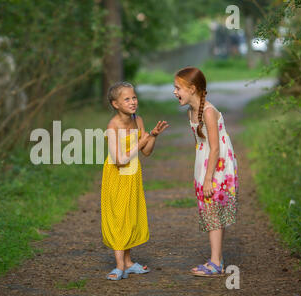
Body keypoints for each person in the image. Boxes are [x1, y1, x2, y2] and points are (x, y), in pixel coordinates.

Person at [173, 67, 238, 277]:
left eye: (178, 88)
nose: (175, 92)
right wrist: (200, 173)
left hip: (218, 166)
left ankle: (215, 262)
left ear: (192, 89)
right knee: (211, 212)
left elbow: (216, 147)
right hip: (205, 164)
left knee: (212, 212)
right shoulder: (192, 112)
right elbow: (199, 145)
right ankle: (217, 257)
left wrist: (208, 178)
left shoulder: (208, 112)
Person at [101, 81, 169, 280]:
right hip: (116, 176)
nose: (132, 102)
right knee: (118, 217)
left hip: (133, 175)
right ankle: (119, 266)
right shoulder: (112, 126)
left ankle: (129, 262)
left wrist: (153, 136)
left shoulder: (138, 120)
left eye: (134, 97)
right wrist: (140, 142)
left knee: (130, 216)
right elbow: (120, 160)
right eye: (127, 99)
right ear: (115, 104)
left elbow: (146, 152)